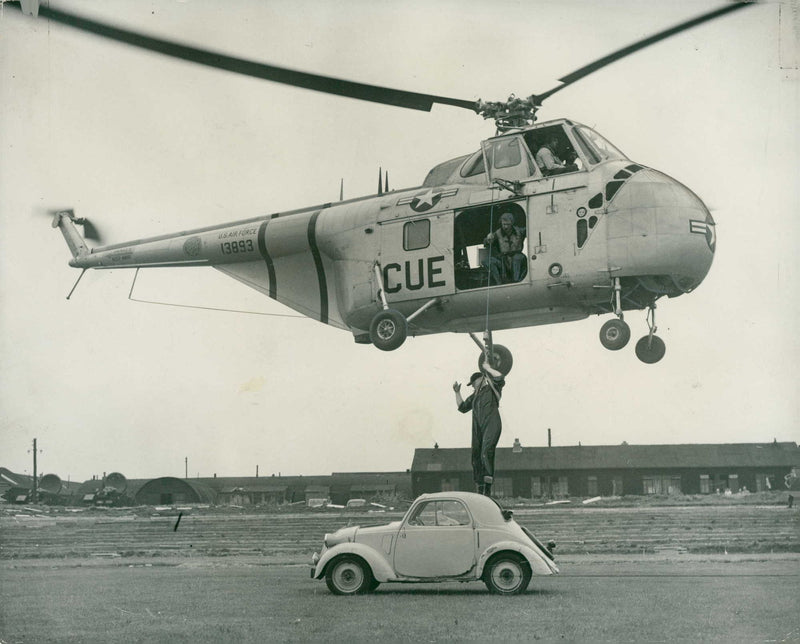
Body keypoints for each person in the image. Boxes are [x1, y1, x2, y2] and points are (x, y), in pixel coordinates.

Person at [453, 363, 505, 496]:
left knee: (486, 452)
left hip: (491, 424)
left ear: (481, 379)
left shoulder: (492, 388)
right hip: (478, 428)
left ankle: (487, 489)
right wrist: (457, 392)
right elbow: (462, 408)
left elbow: (500, 377)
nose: (473, 386)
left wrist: (487, 368)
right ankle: (480, 488)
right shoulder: (475, 395)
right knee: (476, 456)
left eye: (473, 383)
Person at [482, 212, 526, 284]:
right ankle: (499, 282)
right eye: (504, 224)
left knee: (517, 258)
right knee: (488, 261)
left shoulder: (520, 231)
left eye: (508, 224)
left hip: (518, 256)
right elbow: (486, 242)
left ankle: (517, 282)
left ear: (512, 223)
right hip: (503, 259)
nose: (505, 227)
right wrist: (488, 239)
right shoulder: (497, 233)